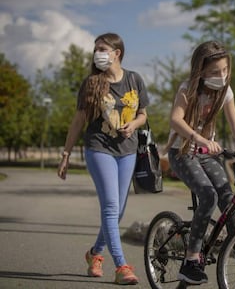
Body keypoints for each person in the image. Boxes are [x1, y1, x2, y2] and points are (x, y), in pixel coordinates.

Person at [166, 40, 235, 288]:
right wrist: (199, 138)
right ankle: (190, 261)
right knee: (208, 195)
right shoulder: (187, 89)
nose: (221, 76)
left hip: (207, 154)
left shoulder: (226, 92)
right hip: (182, 152)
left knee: (229, 203)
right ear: (201, 71)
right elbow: (176, 120)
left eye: (225, 70)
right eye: (214, 72)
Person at [57, 32, 149, 285]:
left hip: (128, 150)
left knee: (118, 211)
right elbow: (78, 121)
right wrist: (65, 154)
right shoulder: (91, 83)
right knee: (110, 206)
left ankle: (94, 254)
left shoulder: (134, 79)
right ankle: (121, 267)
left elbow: (143, 114)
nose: (97, 52)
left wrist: (133, 125)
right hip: (99, 148)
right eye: (96, 49)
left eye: (102, 48)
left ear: (116, 53)